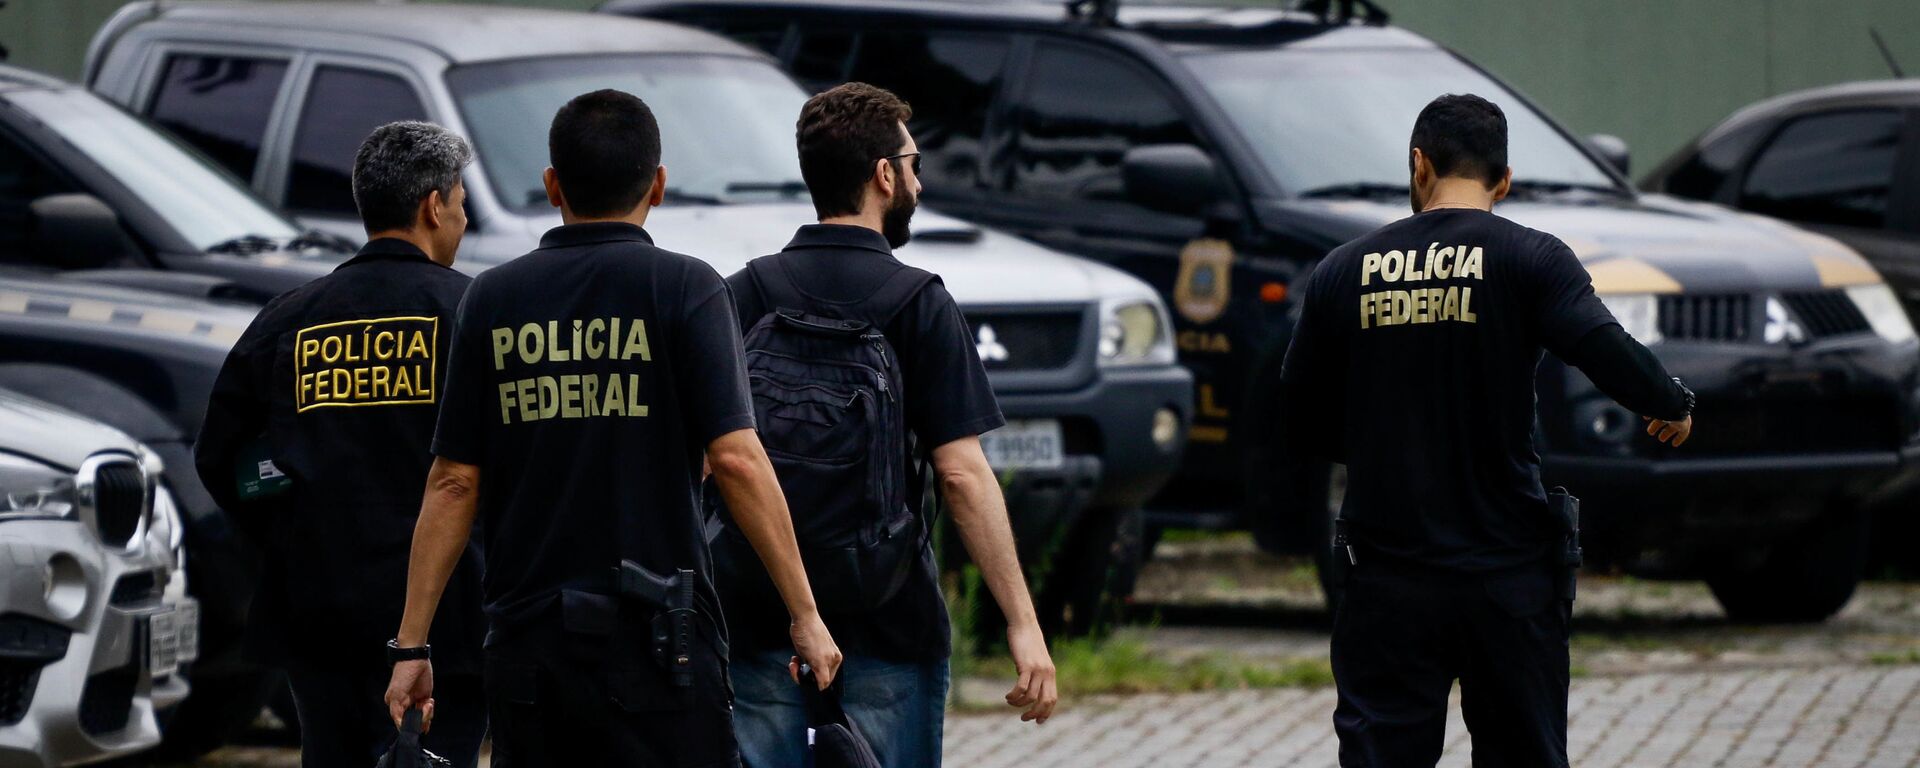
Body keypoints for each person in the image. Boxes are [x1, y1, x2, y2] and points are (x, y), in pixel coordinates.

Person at [381, 89, 841, 765]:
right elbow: (738, 460)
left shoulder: (493, 298)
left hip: (529, 648)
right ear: (657, 185)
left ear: (551, 185)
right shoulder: (687, 289)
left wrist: (413, 646)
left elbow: (453, 483)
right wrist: (804, 613)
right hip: (661, 645)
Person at [1280, 93, 1696, 767]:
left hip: (1386, 575)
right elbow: (1603, 346)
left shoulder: (1341, 272)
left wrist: (1381, 446)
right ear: (1503, 181)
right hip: (1507, 575)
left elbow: (1298, 419)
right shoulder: (1530, 259)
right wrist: (1669, 402)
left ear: (1420, 166)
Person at [721, 82, 1058, 768]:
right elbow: (961, 475)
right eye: (913, 163)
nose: (919, 181)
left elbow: (712, 457)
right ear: (883, 176)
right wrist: (1023, 624)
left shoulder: (745, 291)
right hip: (888, 619)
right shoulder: (919, 302)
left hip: (761, 614)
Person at [194, 121, 488, 767]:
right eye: (462, 205)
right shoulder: (472, 313)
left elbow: (221, 459)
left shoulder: (290, 317)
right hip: (447, 614)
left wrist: (295, 536)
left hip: (319, 612)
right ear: (432, 204)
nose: (462, 223)